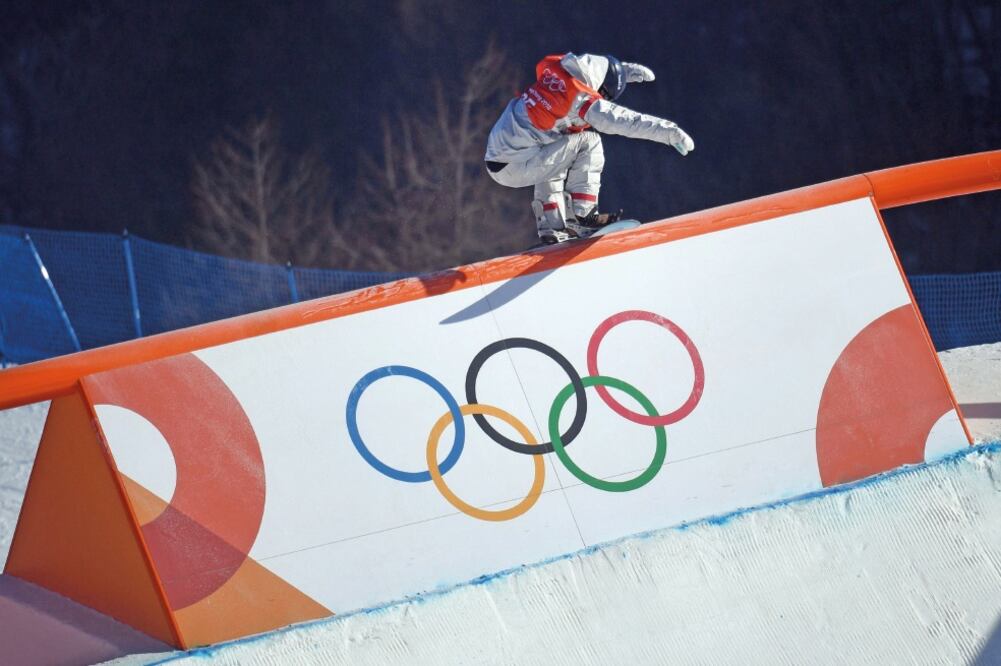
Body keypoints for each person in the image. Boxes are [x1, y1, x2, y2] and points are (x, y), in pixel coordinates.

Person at [484, 52, 694, 244]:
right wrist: (670, 132)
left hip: (498, 158)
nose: (602, 101)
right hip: (517, 164)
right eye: (605, 97)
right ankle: (584, 216)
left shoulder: (557, 67)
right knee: (589, 142)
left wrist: (623, 70)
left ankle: (552, 226)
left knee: (558, 143)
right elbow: (626, 121)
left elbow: (596, 68)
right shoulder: (581, 98)